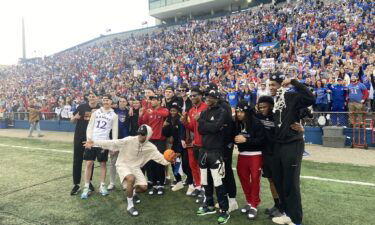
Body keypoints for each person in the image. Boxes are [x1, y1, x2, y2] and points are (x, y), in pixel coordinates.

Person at [83, 125, 175, 216]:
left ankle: (132, 191)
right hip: (123, 164)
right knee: (131, 179)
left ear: (148, 136)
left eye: (142, 134)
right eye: (139, 133)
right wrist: (95, 142)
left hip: (135, 167)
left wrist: (169, 161)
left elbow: (160, 158)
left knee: (143, 188)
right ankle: (130, 206)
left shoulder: (151, 147)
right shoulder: (129, 140)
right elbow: (113, 143)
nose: (140, 135)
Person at [268, 72, 315, 225]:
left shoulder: (292, 96)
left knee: (291, 183)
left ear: (281, 85)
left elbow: (310, 98)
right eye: (269, 85)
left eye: (273, 85)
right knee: (279, 180)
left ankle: (296, 219)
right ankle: (287, 213)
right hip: (279, 145)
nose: (270, 88)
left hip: (292, 144)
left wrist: (294, 81)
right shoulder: (275, 101)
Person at [196, 88, 230, 225]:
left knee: (218, 182)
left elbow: (215, 127)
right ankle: (209, 205)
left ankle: (224, 210)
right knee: (205, 181)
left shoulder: (222, 111)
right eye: (207, 96)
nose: (208, 99)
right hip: (204, 151)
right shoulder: (204, 112)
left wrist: (203, 123)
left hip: (216, 151)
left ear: (216, 98)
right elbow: (201, 130)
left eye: (211, 96)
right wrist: (208, 125)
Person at [81, 95, 118, 199]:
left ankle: (102, 185)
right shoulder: (96, 112)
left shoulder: (114, 115)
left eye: (108, 100)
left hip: (103, 143)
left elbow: (114, 131)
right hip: (92, 142)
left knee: (103, 164)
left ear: (111, 102)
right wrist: (88, 139)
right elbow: (90, 126)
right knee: (89, 164)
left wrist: (113, 145)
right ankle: (86, 186)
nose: (106, 102)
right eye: (104, 100)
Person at [234, 100, 265, 220]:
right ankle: (249, 201)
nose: (239, 114)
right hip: (242, 154)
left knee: (255, 179)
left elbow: (262, 141)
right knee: (243, 178)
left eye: (241, 111)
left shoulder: (257, 123)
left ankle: (254, 205)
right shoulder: (237, 123)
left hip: (255, 154)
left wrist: (246, 140)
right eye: (237, 111)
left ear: (247, 111)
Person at [138, 95, 169, 195]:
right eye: (151, 100)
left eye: (154, 100)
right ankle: (154, 183)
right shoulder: (148, 111)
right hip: (150, 140)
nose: (152, 101)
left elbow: (165, 114)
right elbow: (142, 123)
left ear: (159, 101)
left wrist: (153, 112)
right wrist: (140, 115)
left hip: (160, 140)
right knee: (150, 162)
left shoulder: (163, 110)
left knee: (159, 162)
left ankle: (161, 184)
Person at [70, 92, 99, 195]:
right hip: (79, 137)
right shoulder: (81, 107)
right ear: (88, 98)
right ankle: (76, 184)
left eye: (93, 96)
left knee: (90, 162)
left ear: (97, 98)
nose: (91, 98)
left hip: (91, 139)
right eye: (90, 97)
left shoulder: (100, 108)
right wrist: (75, 118)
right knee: (77, 161)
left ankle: (89, 182)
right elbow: (72, 120)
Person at [181, 87, 207, 196]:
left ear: (200, 96)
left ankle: (205, 189)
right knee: (193, 165)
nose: (192, 98)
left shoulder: (206, 108)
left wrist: (200, 119)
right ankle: (198, 186)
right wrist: (184, 123)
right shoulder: (191, 110)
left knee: (203, 167)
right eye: (191, 96)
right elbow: (192, 127)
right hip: (195, 143)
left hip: (205, 143)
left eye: (195, 95)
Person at [108, 96, 131, 191]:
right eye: (120, 101)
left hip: (125, 141)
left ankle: (124, 182)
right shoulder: (113, 110)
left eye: (124, 101)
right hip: (115, 140)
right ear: (118, 103)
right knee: (113, 162)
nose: (122, 103)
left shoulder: (129, 112)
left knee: (124, 163)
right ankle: (112, 183)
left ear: (126, 103)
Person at [162, 102, 185, 191]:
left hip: (180, 145)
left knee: (184, 165)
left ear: (178, 111)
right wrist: (164, 126)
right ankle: (178, 181)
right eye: (171, 110)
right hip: (173, 145)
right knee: (173, 163)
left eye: (174, 110)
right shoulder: (169, 119)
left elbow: (181, 134)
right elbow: (165, 133)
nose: (172, 112)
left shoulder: (180, 120)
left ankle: (191, 183)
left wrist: (179, 149)